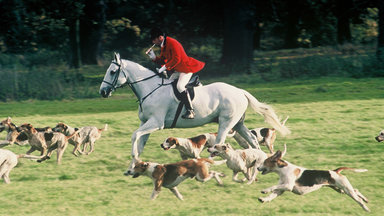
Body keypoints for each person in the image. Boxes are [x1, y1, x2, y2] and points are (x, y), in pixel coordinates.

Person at [146, 27, 205, 119]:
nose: (153, 42)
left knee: (180, 86)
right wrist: (153, 57)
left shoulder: (172, 42)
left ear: (160, 37)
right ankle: (192, 84)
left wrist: (164, 68)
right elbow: (162, 60)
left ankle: (190, 111)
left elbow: (177, 59)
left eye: (154, 40)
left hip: (186, 68)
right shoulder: (163, 45)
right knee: (167, 86)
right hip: (178, 70)